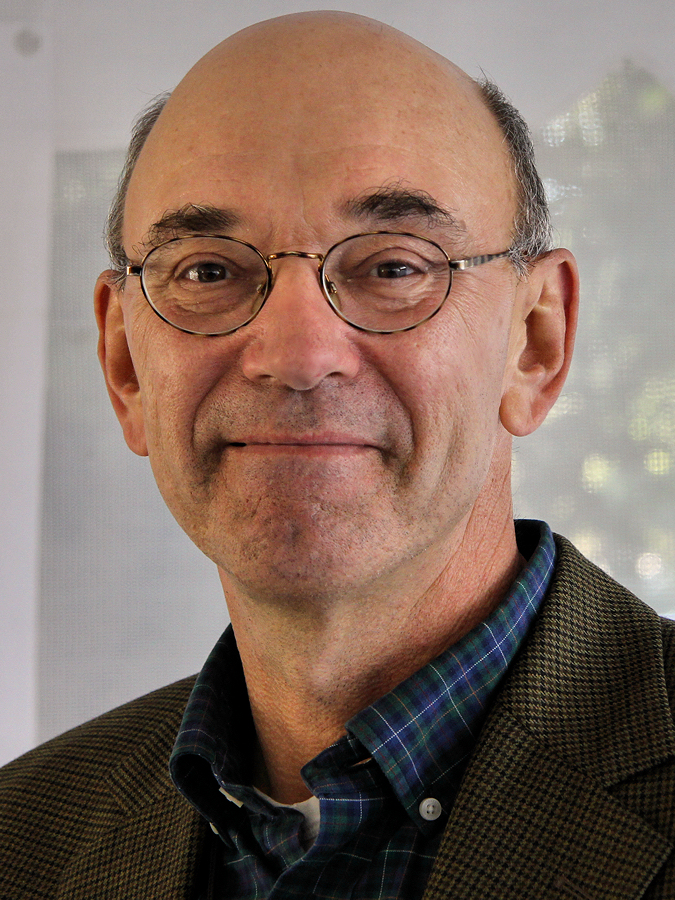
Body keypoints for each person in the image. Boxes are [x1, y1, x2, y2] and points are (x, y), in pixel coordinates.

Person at [1, 10, 674, 899]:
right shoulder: (22, 835)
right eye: (207, 269)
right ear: (125, 364)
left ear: (534, 342)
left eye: (394, 266)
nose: (295, 353)